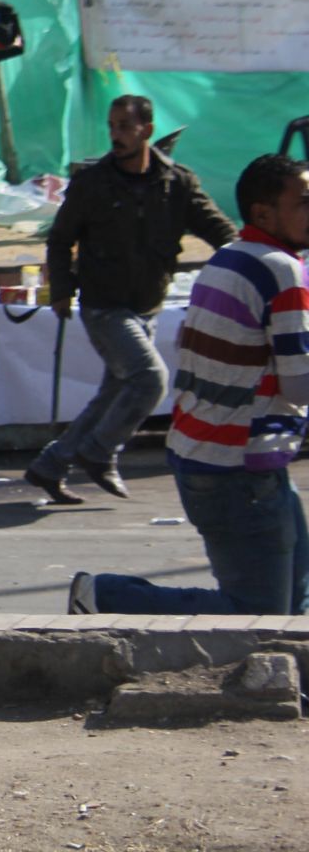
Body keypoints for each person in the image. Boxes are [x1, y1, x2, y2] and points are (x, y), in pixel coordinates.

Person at [68, 153, 309, 616]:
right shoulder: (281, 272)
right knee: (256, 614)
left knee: (293, 605)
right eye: (304, 201)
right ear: (263, 213)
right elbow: (299, 386)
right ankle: (105, 596)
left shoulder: (230, 259)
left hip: (210, 455)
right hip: (238, 467)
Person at [24, 95, 237, 505]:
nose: (116, 135)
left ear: (147, 130)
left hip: (147, 304)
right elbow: (61, 238)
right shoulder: (93, 183)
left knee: (113, 392)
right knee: (149, 379)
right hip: (104, 304)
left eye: (125, 126)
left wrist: (249, 255)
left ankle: (51, 465)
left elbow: (215, 227)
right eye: (112, 126)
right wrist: (64, 291)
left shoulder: (177, 182)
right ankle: (101, 453)